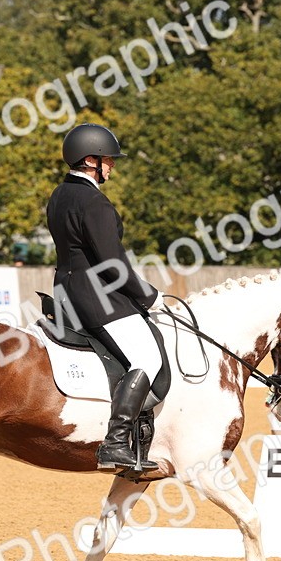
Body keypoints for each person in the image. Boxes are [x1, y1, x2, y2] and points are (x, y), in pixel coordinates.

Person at [45, 123, 164, 472]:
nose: (112, 166)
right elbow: (113, 265)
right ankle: (115, 442)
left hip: (64, 292)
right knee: (147, 357)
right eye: (108, 159)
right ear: (90, 160)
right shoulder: (94, 201)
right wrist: (150, 296)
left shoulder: (58, 195)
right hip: (96, 297)